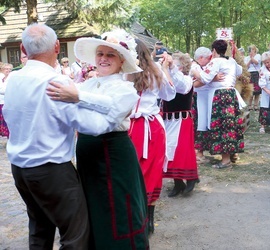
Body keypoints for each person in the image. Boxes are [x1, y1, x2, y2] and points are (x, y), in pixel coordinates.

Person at [2, 23, 134, 249]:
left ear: (23, 49)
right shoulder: (57, 82)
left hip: (20, 167)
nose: (103, 58)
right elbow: (92, 125)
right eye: (100, 54)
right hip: (51, 168)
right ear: (56, 47)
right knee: (75, 234)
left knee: (39, 228)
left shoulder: (13, 79)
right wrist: (116, 115)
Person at [46, 29, 149, 248]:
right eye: (100, 54)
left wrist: (78, 99)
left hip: (114, 153)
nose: (103, 59)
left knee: (118, 205)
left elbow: (103, 123)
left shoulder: (125, 89)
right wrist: (78, 99)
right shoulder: (87, 85)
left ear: (122, 61)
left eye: (110, 55)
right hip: (88, 154)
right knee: (92, 204)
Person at [127, 38, 176, 234]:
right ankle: (148, 221)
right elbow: (170, 94)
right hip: (152, 127)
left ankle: (138, 218)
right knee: (152, 171)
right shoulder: (156, 71)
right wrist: (165, 69)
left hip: (133, 126)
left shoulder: (124, 73)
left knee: (134, 171)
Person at [191, 39, 245, 169]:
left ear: (214, 50)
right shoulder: (231, 61)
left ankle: (225, 160)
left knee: (222, 126)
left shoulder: (215, 62)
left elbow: (204, 78)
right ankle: (231, 155)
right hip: (231, 94)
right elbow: (239, 71)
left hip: (220, 96)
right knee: (230, 125)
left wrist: (194, 71)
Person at [161, 52, 200, 196]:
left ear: (182, 67)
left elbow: (179, 86)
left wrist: (170, 68)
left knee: (182, 150)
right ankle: (178, 183)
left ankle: (191, 177)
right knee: (168, 151)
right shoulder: (166, 77)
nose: (173, 67)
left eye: (176, 64)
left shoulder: (186, 79)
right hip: (167, 119)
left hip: (182, 119)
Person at [191, 47, 212, 164]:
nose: (209, 61)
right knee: (199, 123)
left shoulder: (200, 66)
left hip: (203, 97)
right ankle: (198, 152)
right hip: (197, 97)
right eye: (207, 58)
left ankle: (199, 151)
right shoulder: (194, 66)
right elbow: (199, 82)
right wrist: (212, 78)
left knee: (202, 123)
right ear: (200, 58)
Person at [244, 45, 261, 111]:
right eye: (250, 50)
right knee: (250, 90)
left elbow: (257, 63)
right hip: (249, 74)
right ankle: (249, 105)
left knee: (257, 91)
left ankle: (256, 105)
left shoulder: (258, 56)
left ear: (254, 50)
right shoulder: (246, 57)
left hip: (256, 73)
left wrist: (252, 58)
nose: (251, 51)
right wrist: (250, 59)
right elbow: (246, 66)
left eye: (252, 49)